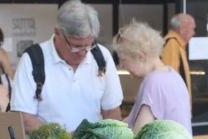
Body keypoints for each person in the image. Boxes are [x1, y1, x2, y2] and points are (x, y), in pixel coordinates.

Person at [10, 0, 123, 132]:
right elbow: (24, 118)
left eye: (88, 45)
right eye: (76, 46)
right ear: (58, 33)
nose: (83, 53)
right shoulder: (32, 60)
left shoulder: (102, 56)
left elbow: (112, 111)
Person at [114, 21, 191, 133]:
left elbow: (138, 135)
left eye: (124, 60)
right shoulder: (174, 75)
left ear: (140, 57)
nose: (121, 65)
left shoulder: (153, 82)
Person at [161, 13, 195, 95]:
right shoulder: (172, 44)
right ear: (182, 29)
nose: (193, 33)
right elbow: (170, 78)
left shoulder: (177, 44)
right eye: (192, 29)